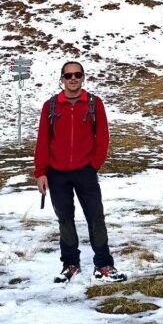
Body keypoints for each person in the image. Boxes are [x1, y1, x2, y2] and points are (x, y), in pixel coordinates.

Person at [34, 60, 126, 283]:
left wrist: (94, 164)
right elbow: (43, 140)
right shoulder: (51, 106)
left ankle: (104, 265)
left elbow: (102, 136)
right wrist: (41, 172)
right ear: (62, 79)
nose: (73, 79)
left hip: (85, 171)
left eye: (77, 75)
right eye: (68, 76)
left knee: (95, 218)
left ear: (83, 77)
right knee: (65, 219)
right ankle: (70, 264)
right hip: (57, 173)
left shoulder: (94, 104)